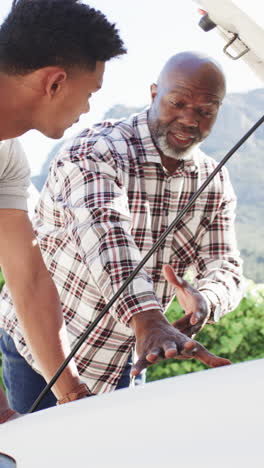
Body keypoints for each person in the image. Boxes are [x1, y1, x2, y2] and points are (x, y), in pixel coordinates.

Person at [0, 51, 244, 414]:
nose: (189, 119)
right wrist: (148, 317)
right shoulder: (98, 148)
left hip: (128, 357)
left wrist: (206, 299)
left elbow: (226, 265)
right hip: (42, 347)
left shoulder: (213, 182)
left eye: (205, 110)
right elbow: (106, 234)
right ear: (153, 93)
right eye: (178, 102)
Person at [0, 0, 126, 422]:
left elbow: (29, 279)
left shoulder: (8, 158)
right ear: (54, 83)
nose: (88, 109)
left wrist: (71, 393)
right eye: (90, 93)